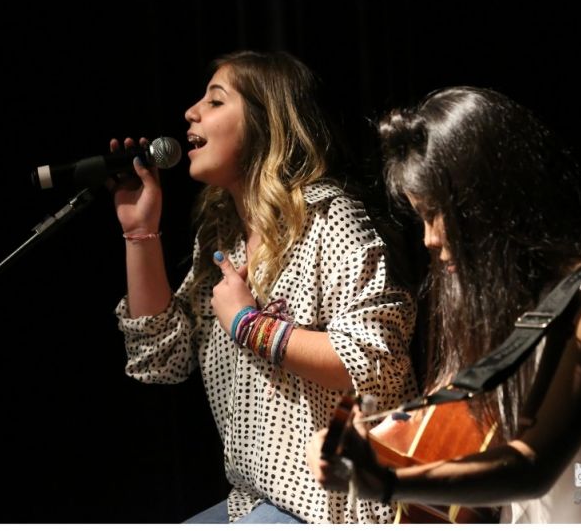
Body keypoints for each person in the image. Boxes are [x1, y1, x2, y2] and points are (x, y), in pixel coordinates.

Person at [306, 86, 581, 523]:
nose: (429, 239)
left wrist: (386, 479)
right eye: (421, 217)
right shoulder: (512, 301)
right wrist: (370, 441)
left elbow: (533, 468)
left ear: (487, 203)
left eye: (435, 214)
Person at [110, 50, 419, 523]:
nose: (190, 112)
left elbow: (374, 364)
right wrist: (140, 235)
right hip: (254, 501)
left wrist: (248, 323)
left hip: (334, 508)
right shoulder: (220, 237)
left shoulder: (330, 219)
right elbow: (161, 360)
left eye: (215, 101)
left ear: (264, 121)